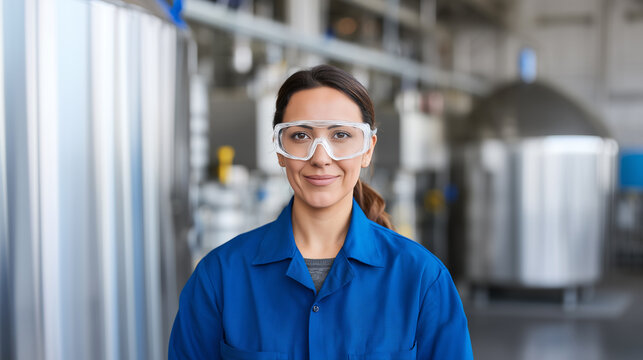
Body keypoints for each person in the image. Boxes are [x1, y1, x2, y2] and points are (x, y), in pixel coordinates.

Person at [169, 64, 473, 359]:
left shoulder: (421, 279)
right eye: (301, 136)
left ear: (368, 149)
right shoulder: (220, 277)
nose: (321, 157)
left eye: (341, 135)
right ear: (278, 150)